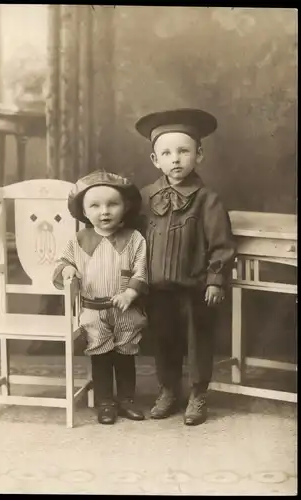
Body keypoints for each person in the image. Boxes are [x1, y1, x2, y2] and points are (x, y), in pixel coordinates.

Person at [135, 109, 236, 426]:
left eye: (184, 151)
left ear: (199, 154)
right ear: (155, 159)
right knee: (163, 340)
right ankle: (168, 390)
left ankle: (197, 393)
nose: (175, 159)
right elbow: (134, 241)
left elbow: (221, 243)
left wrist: (215, 280)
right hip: (158, 288)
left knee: (197, 341)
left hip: (195, 289)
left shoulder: (208, 199)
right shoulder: (146, 197)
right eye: (166, 153)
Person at [52, 170, 148, 425]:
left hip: (126, 308)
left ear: (125, 207)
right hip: (93, 310)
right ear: (84, 211)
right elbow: (62, 262)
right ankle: (105, 402)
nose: (104, 211)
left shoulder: (135, 239)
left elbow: (141, 268)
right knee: (101, 355)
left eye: (112, 204)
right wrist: (67, 268)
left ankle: (127, 400)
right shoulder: (78, 240)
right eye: (95, 205)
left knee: (125, 353)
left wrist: (131, 291)